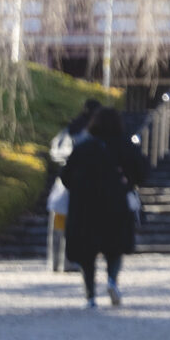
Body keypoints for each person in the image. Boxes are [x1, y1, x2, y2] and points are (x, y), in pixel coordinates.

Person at [58, 104, 147, 308]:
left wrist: (79, 188)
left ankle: (90, 296)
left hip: (85, 207)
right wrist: (127, 183)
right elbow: (142, 171)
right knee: (114, 248)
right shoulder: (125, 146)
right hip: (116, 204)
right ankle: (112, 281)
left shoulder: (83, 148)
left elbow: (65, 176)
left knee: (86, 253)